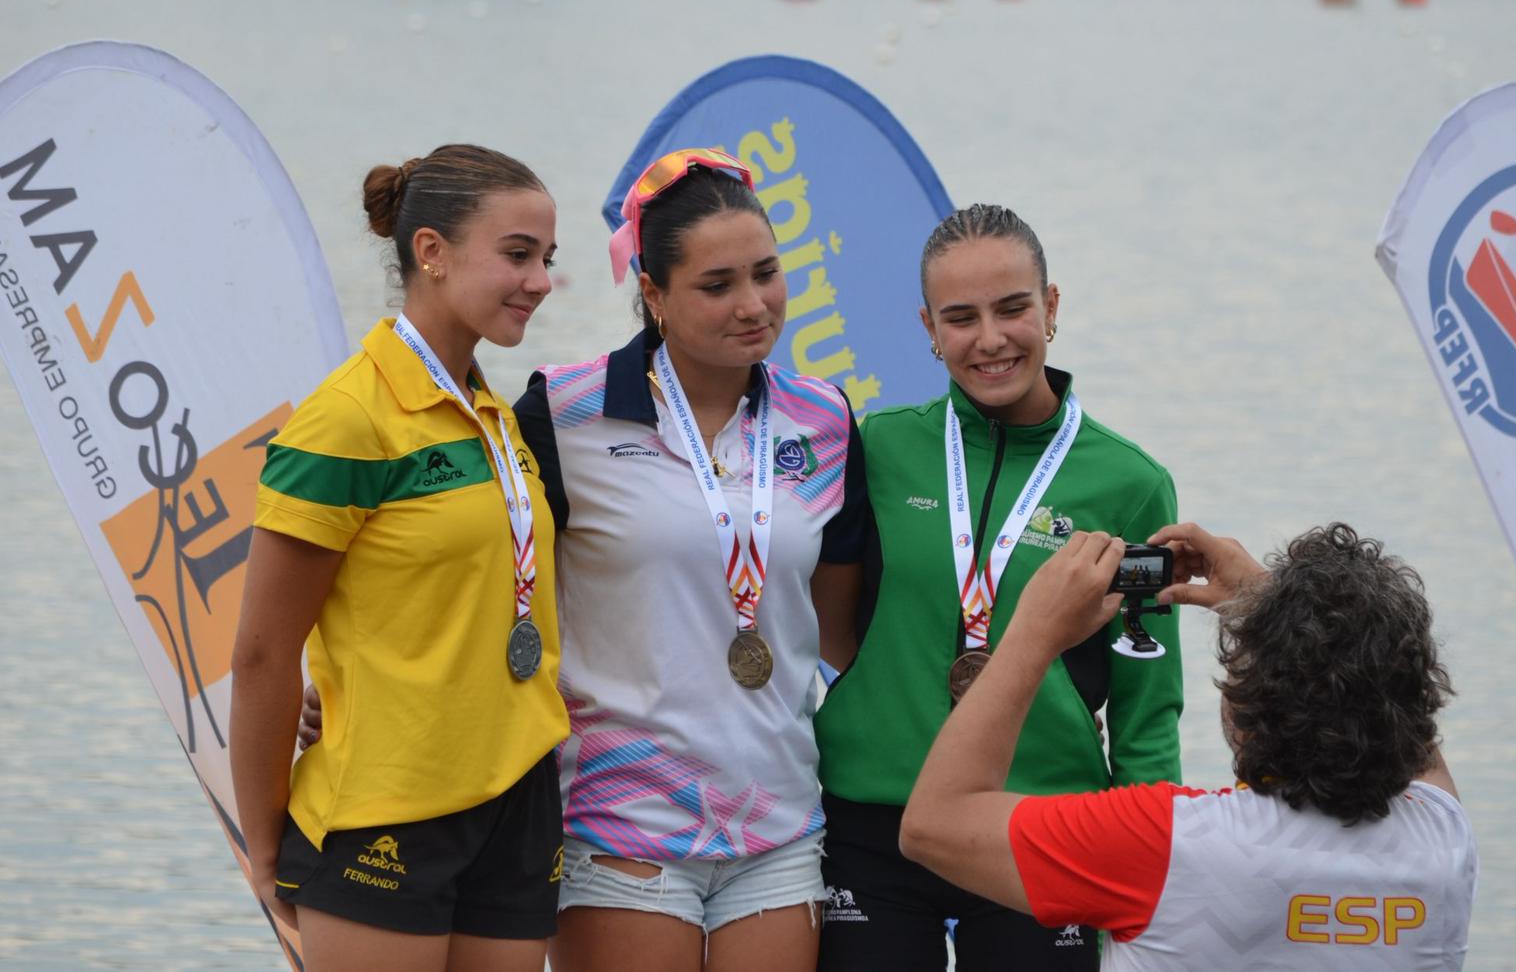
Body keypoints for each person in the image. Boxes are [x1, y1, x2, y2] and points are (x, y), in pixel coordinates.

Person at [514, 149, 867, 972]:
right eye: (717, 286)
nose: (754, 306)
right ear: (653, 294)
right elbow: (488, 590)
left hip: (778, 823)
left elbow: (838, 630)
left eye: (768, 273)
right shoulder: (564, 414)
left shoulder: (823, 420)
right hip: (617, 822)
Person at [813, 204, 1181, 971]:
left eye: (1012, 308)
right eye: (961, 317)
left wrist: (1156, 873)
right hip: (877, 819)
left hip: (1044, 825)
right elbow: (834, 626)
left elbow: (1148, 705)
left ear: (1050, 307)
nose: (989, 339)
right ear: (928, 327)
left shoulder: (1131, 483)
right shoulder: (877, 447)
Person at [230, 145, 568, 972]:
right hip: (385, 809)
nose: (541, 280)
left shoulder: (495, 414)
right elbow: (264, 652)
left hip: (516, 795)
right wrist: (264, 843)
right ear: (432, 251)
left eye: (547, 259)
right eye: (517, 255)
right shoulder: (344, 422)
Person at [899, 523, 1477, 970]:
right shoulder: (1440, 845)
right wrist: (1283, 616)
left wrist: (1033, 631)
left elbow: (934, 825)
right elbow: (1393, 699)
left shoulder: (1165, 842)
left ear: (1247, 706)